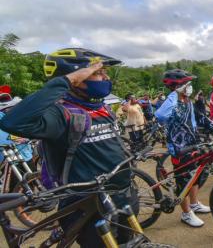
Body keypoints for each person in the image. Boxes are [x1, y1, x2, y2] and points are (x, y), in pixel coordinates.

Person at [0, 48, 137, 247]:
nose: (106, 77)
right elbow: (14, 122)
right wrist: (67, 80)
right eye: (98, 72)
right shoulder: (60, 113)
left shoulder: (101, 107)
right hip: (89, 207)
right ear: (76, 77)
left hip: (124, 195)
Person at [155, 69, 210, 228]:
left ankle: (194, 204)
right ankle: (186, 213)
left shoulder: (188, 101)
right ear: (178, 86)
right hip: (179, 147)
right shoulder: (172, 102)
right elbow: (160, 116)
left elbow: (194, 122)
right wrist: (173, 95)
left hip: (192, 143)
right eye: (187, 84)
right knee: (183, 180)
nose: (189, 86)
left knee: (195, 176)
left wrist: (212, 129)